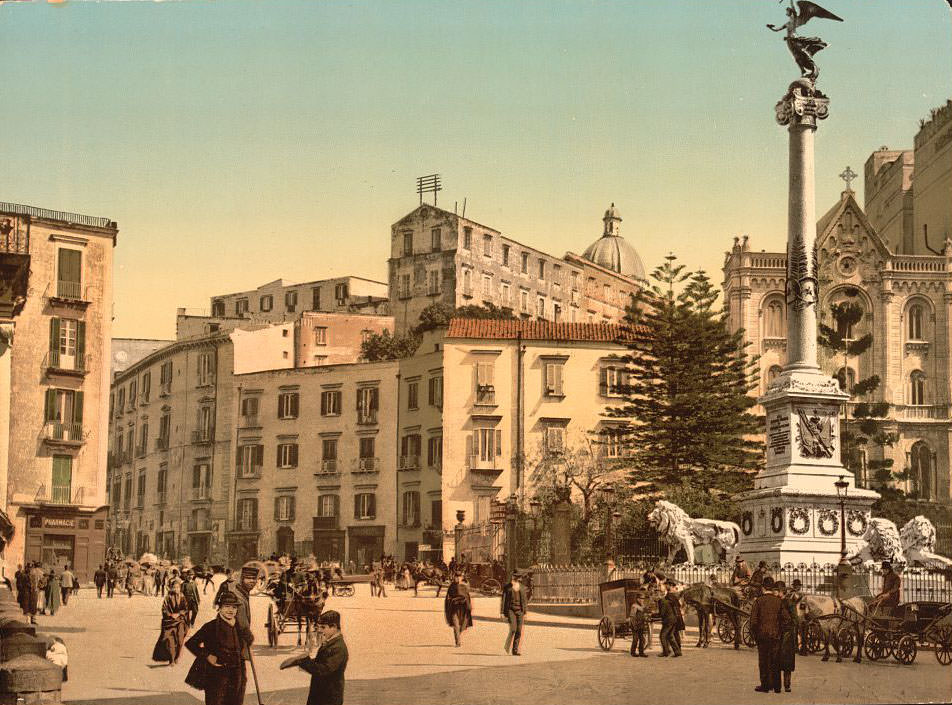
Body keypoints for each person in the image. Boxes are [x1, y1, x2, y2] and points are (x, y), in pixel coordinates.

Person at [184, 590, 253, 705]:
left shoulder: (239, 626)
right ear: (219, 608)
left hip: (237, 674)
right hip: (216, 675)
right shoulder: (210, 626)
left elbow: (247, 643)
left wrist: (248, 636)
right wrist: (207, 655)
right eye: (227, 606)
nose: (231, 610)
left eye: (234, 607)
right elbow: (191, 644)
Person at [282, 610, 349, 705]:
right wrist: (301, 661)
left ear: (334, 627)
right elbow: (321, 663)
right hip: (322, 694)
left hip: (329, 697)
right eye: (319, 627)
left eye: (323, 627)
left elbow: (323, 669)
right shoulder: (332, 643)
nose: (320, 630)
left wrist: (303, 661)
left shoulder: (338, 648)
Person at [749, 576, 789, 694]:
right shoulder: (779, 601)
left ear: (762, 588)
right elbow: (786, 619)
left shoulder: (758, 601)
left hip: (762, 636)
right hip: (776, 636)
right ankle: (777, 687)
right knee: (775, 661)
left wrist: (755, 636)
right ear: (772, 588)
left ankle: (765, 686)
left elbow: (753, 622)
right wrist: (780, 631)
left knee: (763, 661)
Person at [153, 578, 190, 666]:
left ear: (180, 588)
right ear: (172, 588)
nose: (176, 589)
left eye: (178, 587)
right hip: (169, 622)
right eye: (174, 587)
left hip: (180, 621)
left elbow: (186, 609)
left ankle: (177, 657)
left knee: (180, 640)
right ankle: (171, 659)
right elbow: (164, 609)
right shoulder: (168, 597)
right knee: (170, 641)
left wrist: (179, 614)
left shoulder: (182, 597)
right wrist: (170, 615)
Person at [777, 580, 798, 693]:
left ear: (781, 592)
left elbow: (795, 620)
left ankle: (787, 685)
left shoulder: (788, 603)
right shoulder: (780, 602)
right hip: (782, 635)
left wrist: (786, 625)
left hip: (787, 635)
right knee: (782, 661)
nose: (775, 593)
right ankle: (783, 685)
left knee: (786, 662)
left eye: (777, 591)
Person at [501, 571, 528, 656]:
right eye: (515, 576)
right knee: (513, 629)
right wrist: (502, 612)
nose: (516, 578)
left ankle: (515, 650)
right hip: (510, 610)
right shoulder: (507, 587)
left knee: (519, 631)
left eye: (518, 577)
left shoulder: (522, 588)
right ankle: (507, 645)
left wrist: (525, 612)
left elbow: (524, 601)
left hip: (520, 611)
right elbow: (503, 600)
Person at [444, 572, 473, 647]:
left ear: (461, 577)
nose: (456, 578)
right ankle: (458, 642)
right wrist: (451, 602)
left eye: (458, 577)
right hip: (454, 608)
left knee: (463, 626)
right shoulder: (452, 586)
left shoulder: (465, 586)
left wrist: (468, 607)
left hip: (463, 609)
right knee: (456, 625)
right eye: (456, 577)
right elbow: (448, 597)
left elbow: (467, 597)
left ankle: (458, 634)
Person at [657, 582, 681, 657]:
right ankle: (677, 652)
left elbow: (662, 613)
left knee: (662, 636)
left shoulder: (662, 601)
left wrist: (653, 615)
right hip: (674, 619)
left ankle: (666, 652)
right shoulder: (669, 599)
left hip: (668, 620)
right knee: (670, 635)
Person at [665, 581, 685, 652]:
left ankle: (674, 650)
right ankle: (677, 649)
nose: (665, 586)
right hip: (676, 616)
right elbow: (679, 605)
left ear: (670, 586)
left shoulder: (670, 595)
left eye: (666, 585)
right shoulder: (674, 595)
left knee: (669, 634)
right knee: (675, 634)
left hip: (673, 617)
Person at [628, 592, 650, 657]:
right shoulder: (634, 606)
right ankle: (633, 652)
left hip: (641, 624)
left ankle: (641, 652)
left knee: (642, 639)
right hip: (635, 624)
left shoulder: (642, 606)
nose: (642, 600)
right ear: (637, 599)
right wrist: (634, 625)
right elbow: (632, 616)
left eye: (643, 599)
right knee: (635, 639)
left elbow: (645, 613)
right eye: (641, 598)